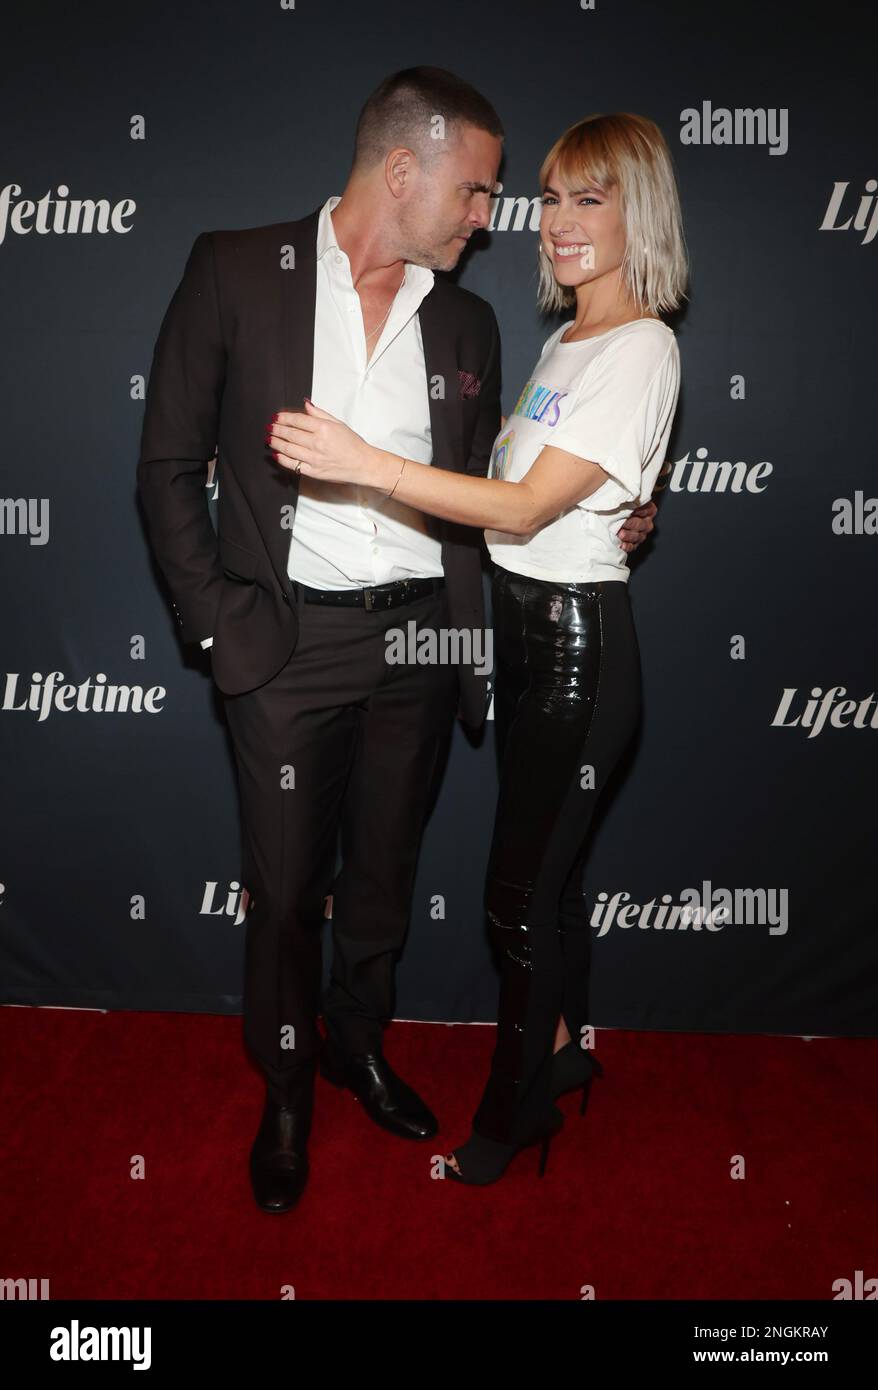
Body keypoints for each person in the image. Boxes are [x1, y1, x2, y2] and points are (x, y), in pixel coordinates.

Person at [268, 110, 687, 1185]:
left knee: (516, 901)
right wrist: (630, 509)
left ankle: (507, 1124)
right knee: (546, 891)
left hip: (580, 655)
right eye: (547, 196)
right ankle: (559, 1056)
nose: (552, 221)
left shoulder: (640, 344)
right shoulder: (568, 342)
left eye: (585, 199)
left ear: (637, 214)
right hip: (536, 643)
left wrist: (369, 465)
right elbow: (570, 497)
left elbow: (516, 509)